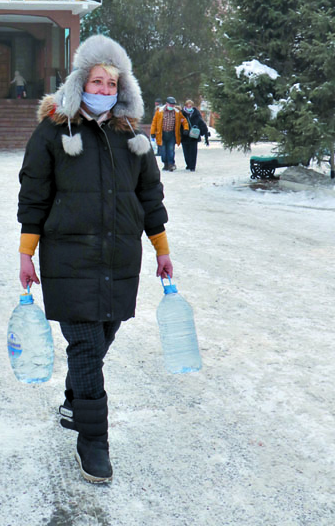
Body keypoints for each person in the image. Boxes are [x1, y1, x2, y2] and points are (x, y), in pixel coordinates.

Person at [17, 34, 173, 485]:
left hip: (119, 258)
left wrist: (162, 249)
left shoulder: (133, 138)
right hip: (69, 259)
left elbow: (150, 196)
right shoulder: (53, 133)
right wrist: (26, 254)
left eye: (111, 84)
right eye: (97, 81)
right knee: (85, 348)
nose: (104, 90)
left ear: (122, 89)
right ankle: (94, 440)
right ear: (80, 82)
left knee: (103, 337)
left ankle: (74, 400)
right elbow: (33, 196)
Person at [150, 96, 188, 171]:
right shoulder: (159, 112)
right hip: (162, 134)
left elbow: (184, 120)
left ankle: (171, 164)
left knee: (171, 150)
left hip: (172, 134)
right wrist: (152, 132)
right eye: (170, 104)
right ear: (166, 104)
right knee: (163, 151)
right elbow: (154, 122)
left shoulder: (177, 112)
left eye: (173, 105)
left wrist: (186, 128)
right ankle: (165, 164)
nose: (172, 106)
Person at [181, 99, 210, 171]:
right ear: (185, 106)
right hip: (185, 136)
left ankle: (192, 166)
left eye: (190, 106)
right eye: (188, 106)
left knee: (193, 152)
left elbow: (202, 124)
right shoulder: (182, 114)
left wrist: (206, 135)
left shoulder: (196, 114)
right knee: (186, 152)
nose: (189, 107)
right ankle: (188, 164)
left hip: (194, 136)